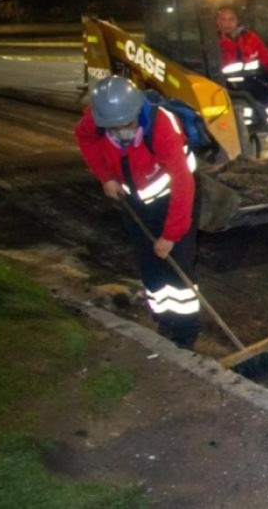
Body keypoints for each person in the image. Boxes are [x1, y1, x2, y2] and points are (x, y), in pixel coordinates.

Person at [75, 76, 202, 349]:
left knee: (176, 269)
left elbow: (183, 185)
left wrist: (171, 235)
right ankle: (164, 320)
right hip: (135, 202)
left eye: (127, 124)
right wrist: (106, 177)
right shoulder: (98, 118)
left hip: (172, 200)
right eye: (114, 127)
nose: (122, 131)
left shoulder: (162, 127)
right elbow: (84, 138)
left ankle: (186, 333)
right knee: (150, 266)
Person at [216, 5, 268, 80]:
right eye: (223, 20)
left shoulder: (249, 38)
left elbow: (266, 57)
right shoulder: (213, 42)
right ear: (218, 21)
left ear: (238, 20)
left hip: (251, 79)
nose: (227, 23)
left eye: (231, 19)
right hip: (223, 81)